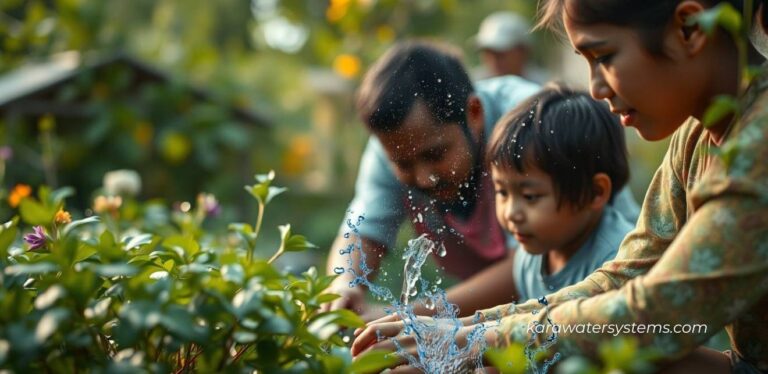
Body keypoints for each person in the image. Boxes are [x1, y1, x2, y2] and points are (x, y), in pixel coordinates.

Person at [352, 0, 768, 371]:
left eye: (604, 56)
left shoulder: (760, 143)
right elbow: (622, 278)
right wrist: (458, 329)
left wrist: (475, 340)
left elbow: (658, 315)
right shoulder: (695, 139)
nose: (595, 87)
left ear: (689, 29)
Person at [322, 41, 640, 322]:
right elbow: (363, 229)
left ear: (473, 112)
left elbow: (529, 265)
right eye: (402, 164)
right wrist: (343, 285)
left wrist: (410, 319)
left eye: (436, 154)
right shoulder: (400, 141)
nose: (423, 176)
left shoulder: (535, 125)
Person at [487, 85, 634, 303]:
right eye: (502, 192)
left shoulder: (618, 264)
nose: (511, 213)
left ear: (595, 192)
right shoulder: (529, 258)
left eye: (530, 196)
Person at [475, 11, 547, 82]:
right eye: (488, 52)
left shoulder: (545, 86)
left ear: (523, 51)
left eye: (500, 53)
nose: (494, 60)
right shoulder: (474, 84)